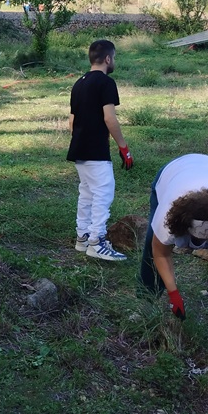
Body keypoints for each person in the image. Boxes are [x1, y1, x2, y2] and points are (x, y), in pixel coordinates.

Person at [138, 153, 208, 347]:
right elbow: (161, 253)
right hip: (173, 173)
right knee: (152, 245)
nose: (199, 243)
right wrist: (173, 294)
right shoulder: (167, 216)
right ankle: (145, 302)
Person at [67, 39, 133, 262]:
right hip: (96, 149)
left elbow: (71, 121)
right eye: (113, 57)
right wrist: (123, 147)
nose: (113, 61)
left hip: (78, 147)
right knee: (103, 193)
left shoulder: (79, 83)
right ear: (107, 58)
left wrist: (81, 139)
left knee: (86, 192)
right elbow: (109, 118)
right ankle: (97, 241)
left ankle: (82, 237)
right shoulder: (106, 82)